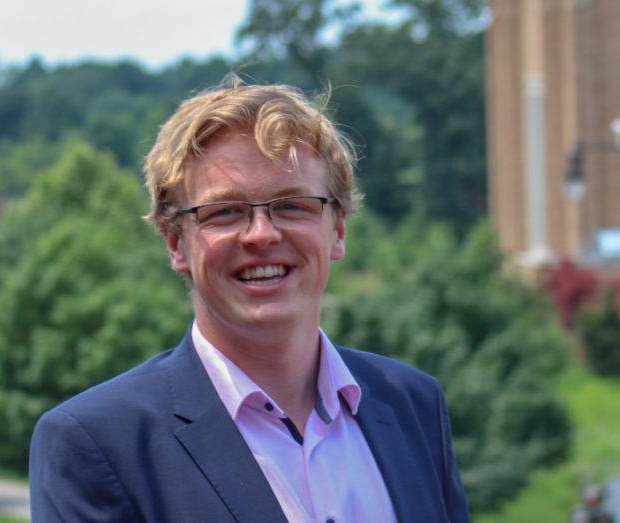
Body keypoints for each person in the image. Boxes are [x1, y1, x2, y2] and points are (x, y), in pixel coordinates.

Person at [29, 77, 470, 522]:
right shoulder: (98, 444)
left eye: (293, 205)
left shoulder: (413, 404)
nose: (262, 234)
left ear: (338, 229)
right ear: (175, 243)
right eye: (225, 212)